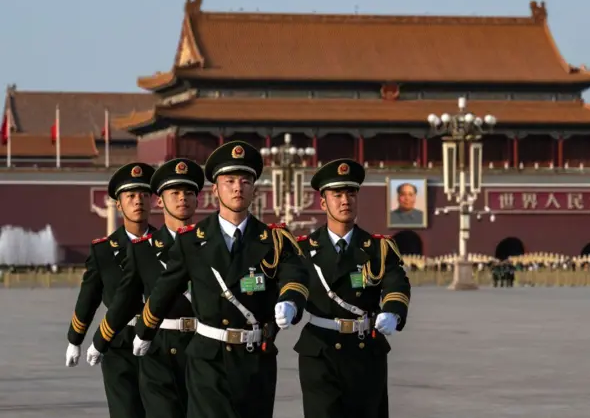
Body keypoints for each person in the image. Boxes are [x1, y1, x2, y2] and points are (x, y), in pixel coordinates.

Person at [132, 141, 310, 418]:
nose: (238, 187)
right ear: (215, 190)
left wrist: (290, 303)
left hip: (256, 358)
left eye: (245, 181)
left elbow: (295, 276)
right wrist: (145, 330)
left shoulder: (274, 240)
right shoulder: (192, 241)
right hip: (208, 359)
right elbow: (165, 290)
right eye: (229, 181)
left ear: (254, 189)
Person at [85, 158, 205, 418]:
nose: (182, 199)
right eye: (174, 193)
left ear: (199, 200)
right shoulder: (143, 249)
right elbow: (125, 298)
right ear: (160, 200)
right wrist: (99, 340)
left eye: (189, 193)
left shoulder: (213, 243)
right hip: (158, 348)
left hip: (204, 347)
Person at [295, 158, 411, 418]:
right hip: (320, 351)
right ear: (323, 202)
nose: (345, 201)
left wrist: (393, 311)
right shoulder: (302, 249)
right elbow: (287, 283)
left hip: (365, 352)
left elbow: (397, 282)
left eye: (351, 194)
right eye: (337, 195)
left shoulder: (378, 248)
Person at [65, 162, 155, 418]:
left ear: (153, 201)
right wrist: (75, 339)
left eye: (144, 195)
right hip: (118, 345)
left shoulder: (167, 245)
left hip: (159, 342)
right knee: (125, 412)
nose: (138, 201)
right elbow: (90, 296)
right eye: (131, 196)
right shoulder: (104, 250)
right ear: (119, 204)